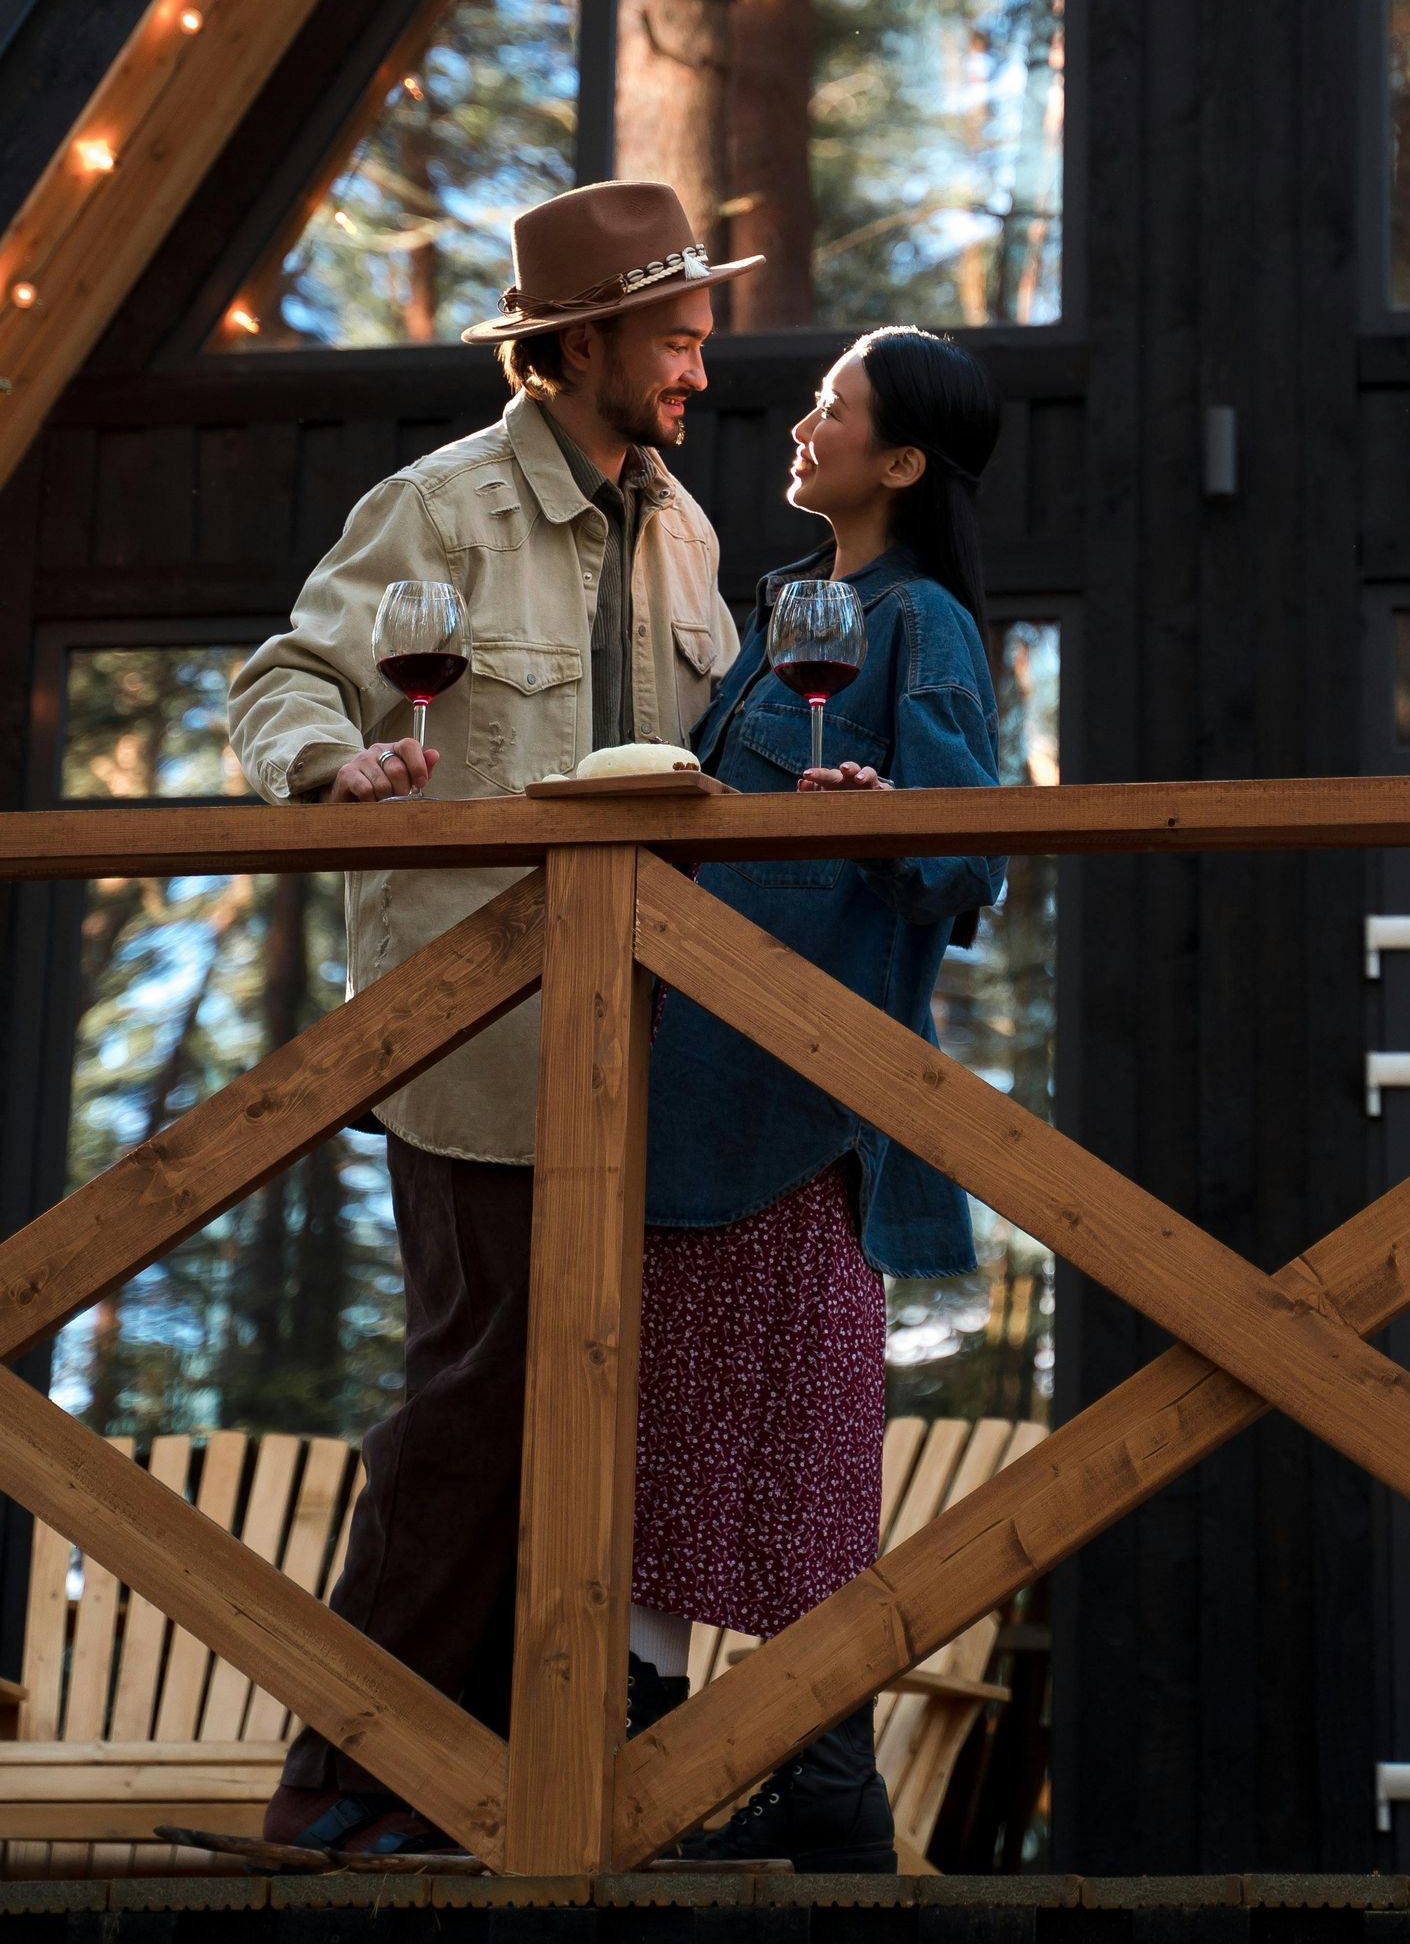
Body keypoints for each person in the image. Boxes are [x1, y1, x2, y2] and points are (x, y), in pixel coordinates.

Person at [228, 180, 758, 1858]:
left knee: (591, 1410)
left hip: (650, 1048)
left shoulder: (690, 532)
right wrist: (336, 764)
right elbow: (285, 678)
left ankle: (487, 1789)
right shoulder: (440, 506)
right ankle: (340, 1779)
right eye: (673, 339)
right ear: (581, 342)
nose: (696, 368)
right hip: (476, 1044)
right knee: (476, 1399)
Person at [623, 324, 1007, 1873]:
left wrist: (889, 815)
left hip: (801, 1114)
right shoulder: (786, 612)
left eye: (831, 409)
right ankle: (636, 1750)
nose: (801, 422)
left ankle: (824, 1777)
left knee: (800, 1441)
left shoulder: (925, 630)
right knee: (646, 1435)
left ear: (900, 461)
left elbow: (969, 860)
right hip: (678, 1090)